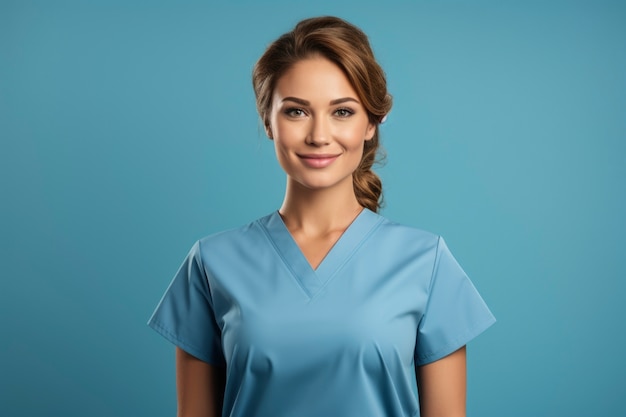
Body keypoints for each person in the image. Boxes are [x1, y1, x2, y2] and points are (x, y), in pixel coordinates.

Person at [148, 16, 495, 417]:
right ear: (268, 122)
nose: (318, 135)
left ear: (371, 122)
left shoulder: (427, 262)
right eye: (296, 112)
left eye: (342, 112)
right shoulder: (211, 263)